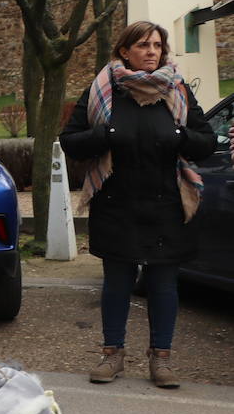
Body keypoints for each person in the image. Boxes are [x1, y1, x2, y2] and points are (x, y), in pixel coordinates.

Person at [59, 21, 215, 388]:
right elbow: (71, 141)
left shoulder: (177, 91)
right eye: (143, 45)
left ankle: (161, 359)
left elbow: (205, 143)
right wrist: (108, 134)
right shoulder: (102, 91)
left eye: (157, 46)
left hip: (167, 204)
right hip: (117, 203)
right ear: (124, 51)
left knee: (164, 284)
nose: (151, 51)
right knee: (117, 283)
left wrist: (178, 135)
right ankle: (112, 355)